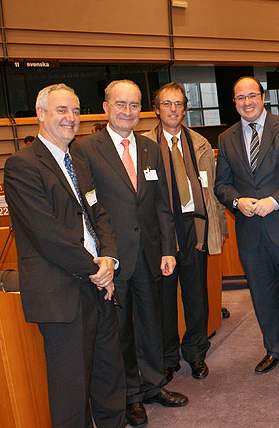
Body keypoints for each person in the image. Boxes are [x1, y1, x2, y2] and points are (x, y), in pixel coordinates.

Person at [4, 83, 126, 428]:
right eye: (62, 110)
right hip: (62, 292)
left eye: (75, 111)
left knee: (109, 378)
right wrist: (96, 269)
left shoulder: (79, 162)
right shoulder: (22, 166)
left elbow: (99, 215)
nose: (70, 118)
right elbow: (47, 234)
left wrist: (109, 259)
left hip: (100, 286)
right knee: (71, 393)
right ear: (40, 113)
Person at [71, 80, 187, 427]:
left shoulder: (150, 148)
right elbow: (87, 207)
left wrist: (168, 249)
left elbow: (162, 203)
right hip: (113, 258)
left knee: (152, 324)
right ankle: (130, 395)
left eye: (134, 105)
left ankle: (154, 384)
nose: (127, 111)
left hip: (150, 254)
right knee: (119, 331)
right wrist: (99, 254)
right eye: (120, 104)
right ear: (106, 107)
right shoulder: (86, 149)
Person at [214, 76, 279, 374]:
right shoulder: (226, 138)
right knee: (263, 297)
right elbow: (222, 185)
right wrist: (236, 202)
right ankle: (275, 349)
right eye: (240, 97)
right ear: (234, 102)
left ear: (262, 96)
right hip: (251, 235)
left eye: (252, 95)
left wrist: (274, 201)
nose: (247, 102)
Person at [142, 82, 227, 382]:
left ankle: (196, 353)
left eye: (178, 103)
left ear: (185, 109)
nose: (173, 109)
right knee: (164, 299)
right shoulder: (145, 146)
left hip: (196, 227)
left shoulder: (199, 143)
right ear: (156, 109)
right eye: (167, 103)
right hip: (162, 231)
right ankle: (168, 358)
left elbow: (212, 189)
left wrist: (220, 225)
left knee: (196, 295)